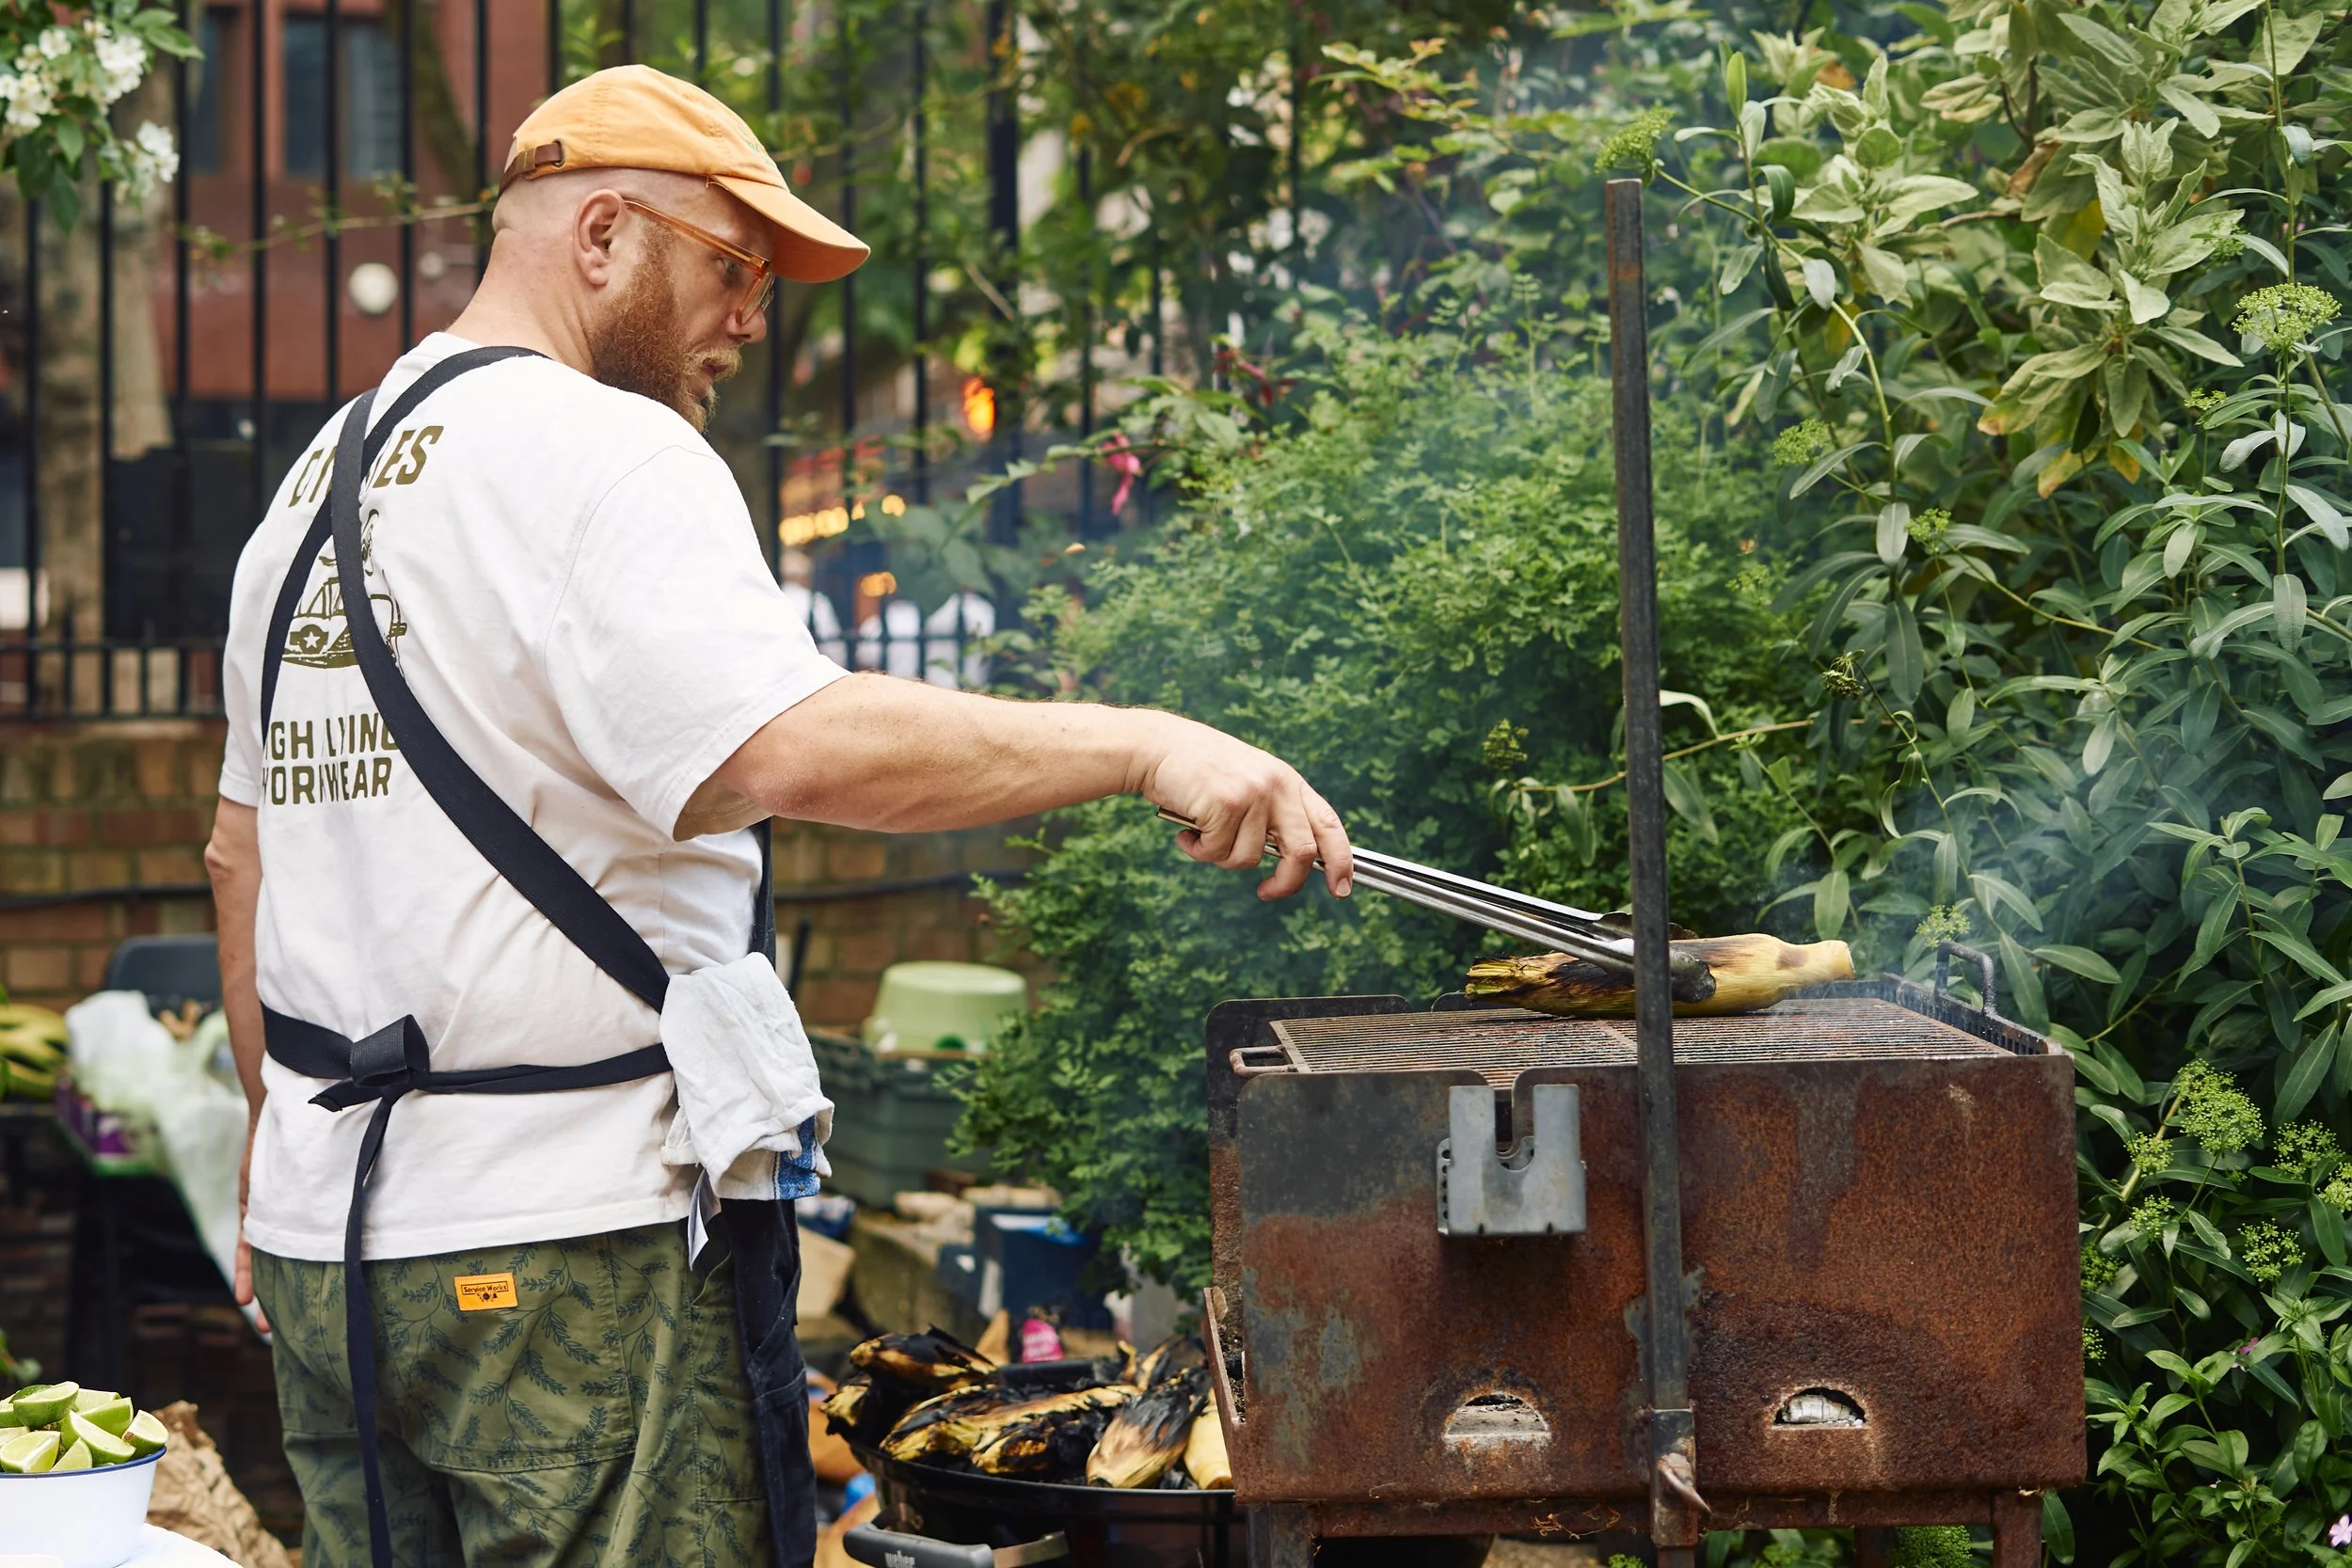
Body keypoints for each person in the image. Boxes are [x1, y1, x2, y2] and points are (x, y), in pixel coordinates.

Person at [202, 64, 1352, 1568]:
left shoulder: (310, 489)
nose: (753, 316)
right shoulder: (607, 454)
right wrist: (1144, 743)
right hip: (572, 1248)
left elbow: (244, 854)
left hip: (330, 1254)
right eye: (732, 266)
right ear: (602, 233)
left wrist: (274, 1151)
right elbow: (794, 749)